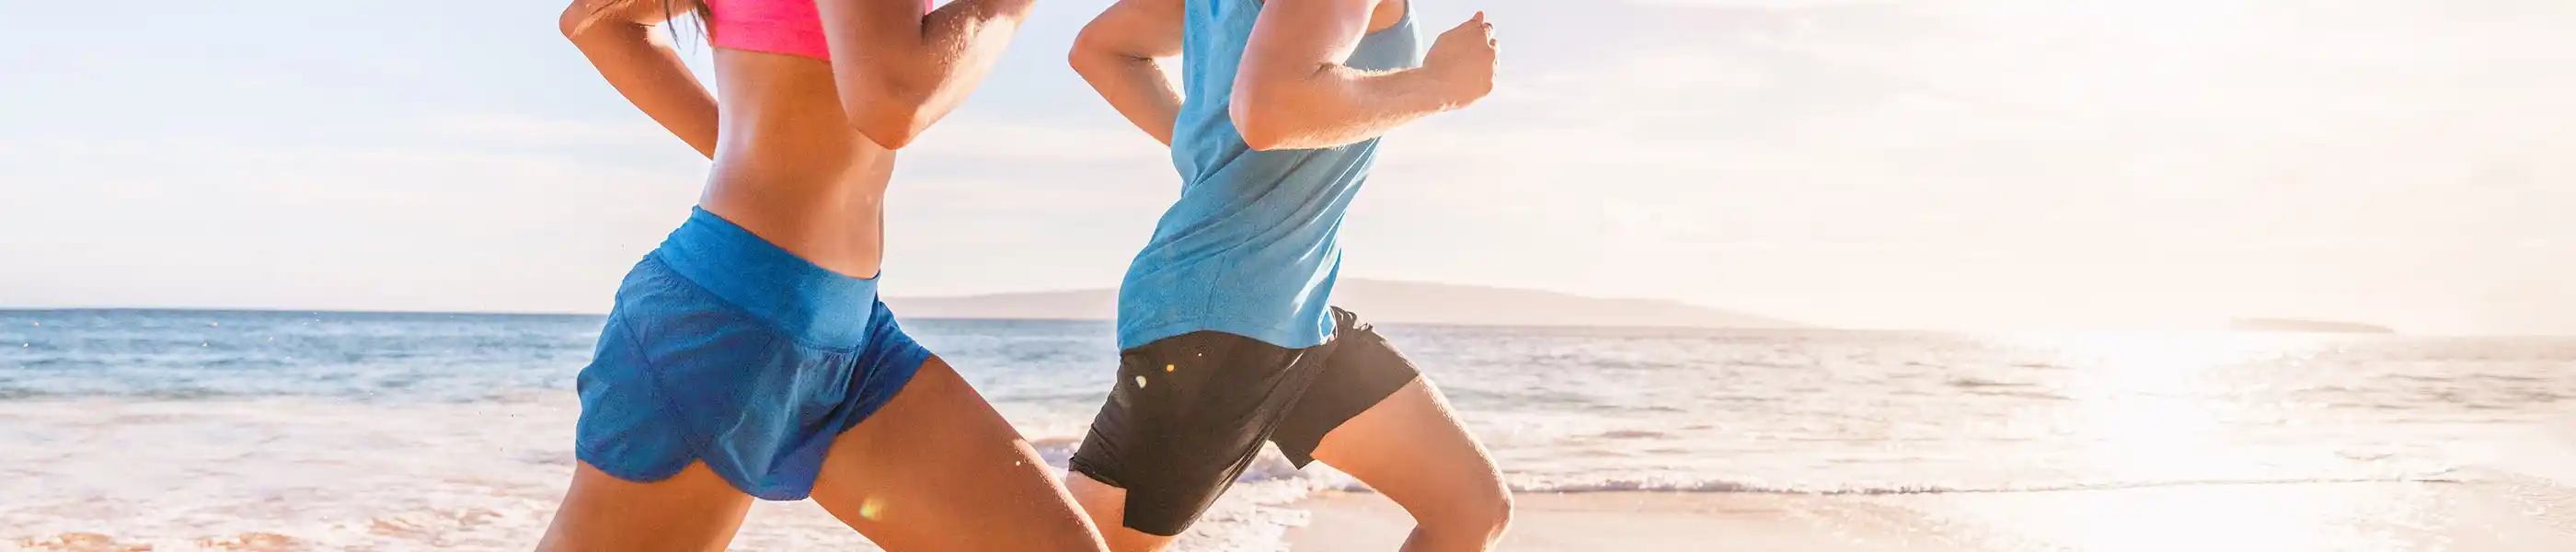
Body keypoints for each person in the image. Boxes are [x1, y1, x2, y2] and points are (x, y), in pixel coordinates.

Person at [539, 0, 1107, 549]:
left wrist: (747, 149)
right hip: (724, 326)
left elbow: (593, 21)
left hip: (851, 340)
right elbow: (894, 101)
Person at [1064, 0, 1512, 549]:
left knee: (1469, 505)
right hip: (1218, 321)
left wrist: (1216, 160)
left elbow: (1100, 50)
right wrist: (1441, 84)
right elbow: (1273, 110)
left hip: (1297, 316)